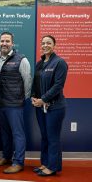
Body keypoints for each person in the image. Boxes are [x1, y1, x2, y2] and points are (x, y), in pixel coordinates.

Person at [0, 32, 31, 174]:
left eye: (7, 41)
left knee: (18, 133)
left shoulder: (21, 59)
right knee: (4, 132)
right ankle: (6, 157)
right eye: (2, 41)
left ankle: (18, 162)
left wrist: (22, 97)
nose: (4, 43)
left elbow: (27, 81)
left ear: (12, 43)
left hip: (15, 104)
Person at [31, 35, 68, 176]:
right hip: (40, 107)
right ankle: (45, 163)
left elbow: (58, 85)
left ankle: (53, 167)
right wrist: (34, 97)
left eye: (48, 43)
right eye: (43, 43)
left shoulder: (59, 63)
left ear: (54, 46)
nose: (45, 45)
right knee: (45, 136)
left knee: (53, 137)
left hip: (55, 107)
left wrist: (44, 99)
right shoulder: (39, 63)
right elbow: (36, 82)